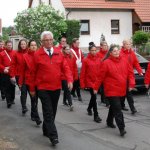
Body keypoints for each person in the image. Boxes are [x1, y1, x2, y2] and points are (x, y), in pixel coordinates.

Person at [30, 31, 73, 146]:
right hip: (43, 88)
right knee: (48, 111)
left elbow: (65, 67)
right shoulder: (37, 54)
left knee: (53, 111)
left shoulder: (59, 52)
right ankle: (53, 136)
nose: (48, 42)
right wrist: (32, 89)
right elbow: (32, 73)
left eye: (50, 40)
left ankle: (46, 128)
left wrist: (69, 79)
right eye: (46, 40)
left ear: (53, 40)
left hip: (56, 87)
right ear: (42, 42)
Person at [93, 45, 135, 136]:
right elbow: (100, 77)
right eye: (114, 51)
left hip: (122, 89)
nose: (116, 52)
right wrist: (96, 88)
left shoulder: (124, 61)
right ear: (110, 53)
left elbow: (130, 73)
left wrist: (131, 84)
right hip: (111, 90)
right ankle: (122, 128)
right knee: (118, 109)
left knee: (114, 107)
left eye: (117, 50)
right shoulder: (106, 63)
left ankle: (109, 121)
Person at [18, 40, 42, 125]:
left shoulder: (39, 55)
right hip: (27, 81)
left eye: (35, 45)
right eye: (32, 45)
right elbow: (21, 71)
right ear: (29, 46)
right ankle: (37, 117)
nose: (33, 47)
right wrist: (20, 83)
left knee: (35, 100)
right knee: (33, 98)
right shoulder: (25, 56)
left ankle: (33, 114)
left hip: (37, 81)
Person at [80, 42, 102, 123]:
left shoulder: (99, 59)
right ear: (89, 51)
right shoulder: (86, 60)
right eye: (92, 50)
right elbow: (83, 73)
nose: (94, 52)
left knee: (93, 97)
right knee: (94, 97)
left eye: (95, 50)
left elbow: (101, 71)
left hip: (97, 82)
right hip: (90, 82)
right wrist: (82, 84)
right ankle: (96, 115)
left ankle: (89, 108)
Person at [120, 39, 143, 114]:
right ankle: (125, 106)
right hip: (122, 75)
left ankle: (131, 108)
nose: (129, 46)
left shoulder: (132, 53)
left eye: (130, 44)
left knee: (128, 91)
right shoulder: (120, 53)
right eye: (127, 44)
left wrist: (140, 71)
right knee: (125, 91)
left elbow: (136, 63)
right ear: (123, 45)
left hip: (130, 75)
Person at [10, 39, 28, 115]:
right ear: (19, 45)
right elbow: (12, 65)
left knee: (32, 93)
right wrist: (12, 75)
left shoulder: (29, 53)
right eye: (22, 44)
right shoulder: (16, 53)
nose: (23, 45)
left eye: (24, 44)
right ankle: (24, 106)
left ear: (26, 45)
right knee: (23, 91)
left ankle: (34, 111)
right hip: (19, 76)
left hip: (29, 76)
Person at [61, 44, 78, 111]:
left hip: (71, 76)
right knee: (68, 90)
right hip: (64, 77)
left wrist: (75, 75)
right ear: (64, 50)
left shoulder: (72, 57)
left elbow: (75, 67)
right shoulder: (62, 57)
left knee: (67, 89)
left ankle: (64, 101)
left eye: (69, 49)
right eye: (66, 49)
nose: (68, 51)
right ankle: (71, 104)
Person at [0, 40, 16, 108]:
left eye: (10, 45)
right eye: (8, 45)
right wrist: (4, 68)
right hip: (5, 73)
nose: (9, 46)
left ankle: (12, 99)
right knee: (7, 87)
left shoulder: (15, 52)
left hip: (13, 72)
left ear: (12, 45)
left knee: (12, 87)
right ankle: (8, 101)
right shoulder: (1, 53)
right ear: (5, 45)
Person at [97, 41, 109, 106]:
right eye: (104, 45)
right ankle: (104, 100)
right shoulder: (98, 54)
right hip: (101, 72)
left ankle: (106, 100)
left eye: (106, 45)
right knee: (103, 87)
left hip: (108, 73)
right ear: (101, 46)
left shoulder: (109, 53)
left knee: (107, 87)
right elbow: (98, 64)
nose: (106, 46)